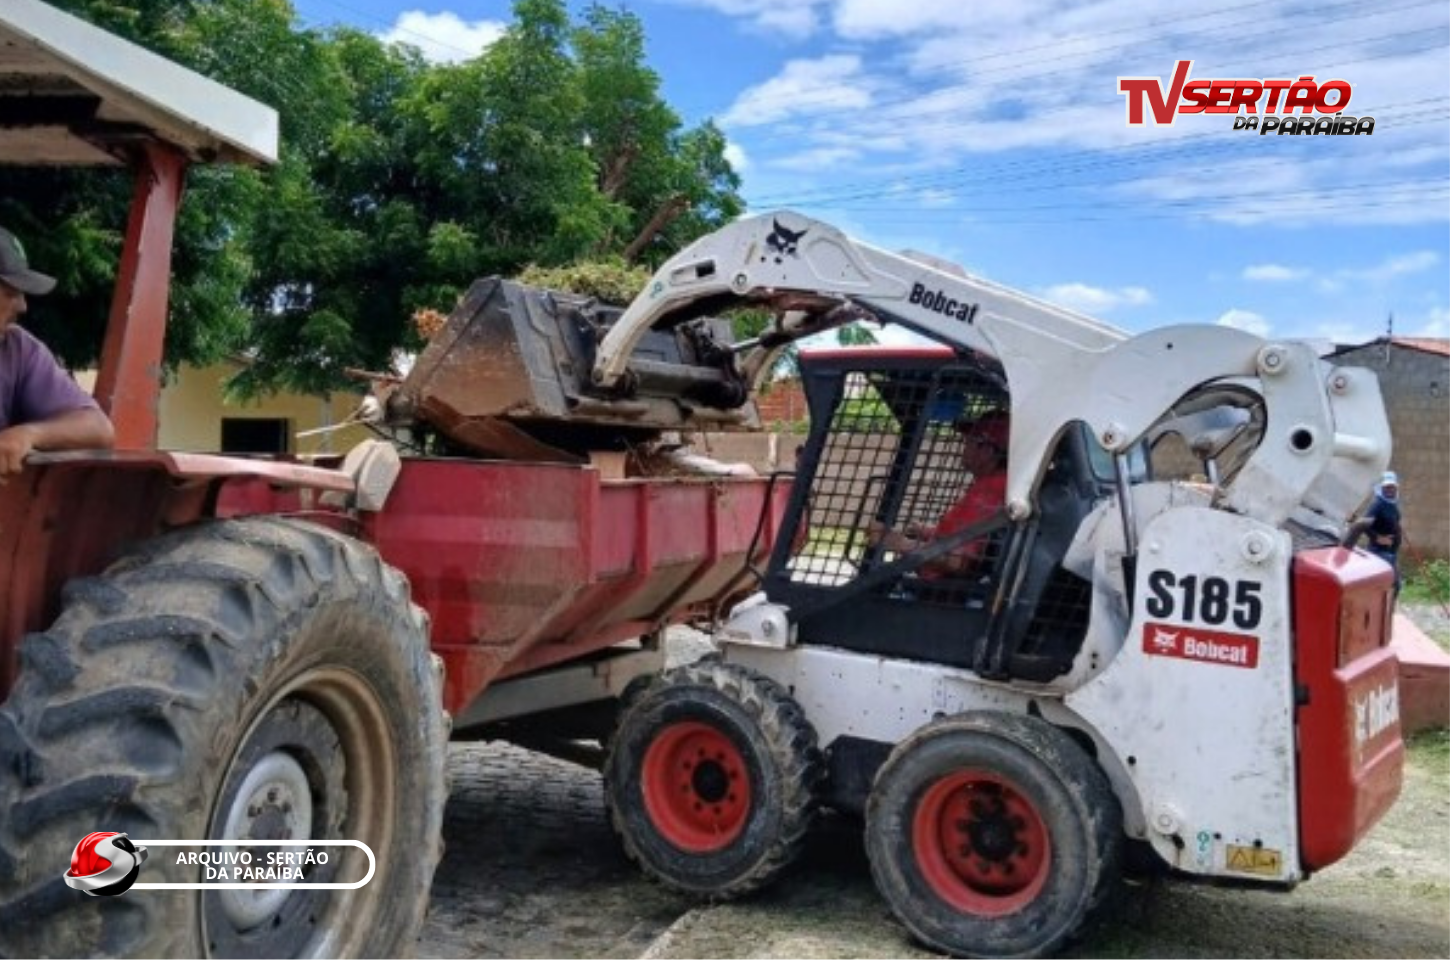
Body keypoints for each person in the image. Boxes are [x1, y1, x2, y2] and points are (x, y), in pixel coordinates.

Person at [0, 226, 114, 476]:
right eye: (10, 292)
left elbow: (98, 428)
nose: (22, 306)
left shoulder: (17, 349)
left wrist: (27, 434)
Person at [868, 409, 1010, 578]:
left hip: (938, 592)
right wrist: (927, 532)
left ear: (987, 450)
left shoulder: (989, 490)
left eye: (969, 441)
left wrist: (899, 542)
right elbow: (972, 537)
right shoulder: (999, 485)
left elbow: (957, 561)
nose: (964, 448)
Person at [1344, 470, 1405, 597]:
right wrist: (1377, 537)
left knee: (1395, 586)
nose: (1390, 490)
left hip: (1391, 552)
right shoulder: (1378, 504)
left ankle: (1388, 612)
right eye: (1387, 487)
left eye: (1392, 487)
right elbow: (1362, 524)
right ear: (1381, 488)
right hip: (1379, 552)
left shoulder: (1392, 504)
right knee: (1389, 587)